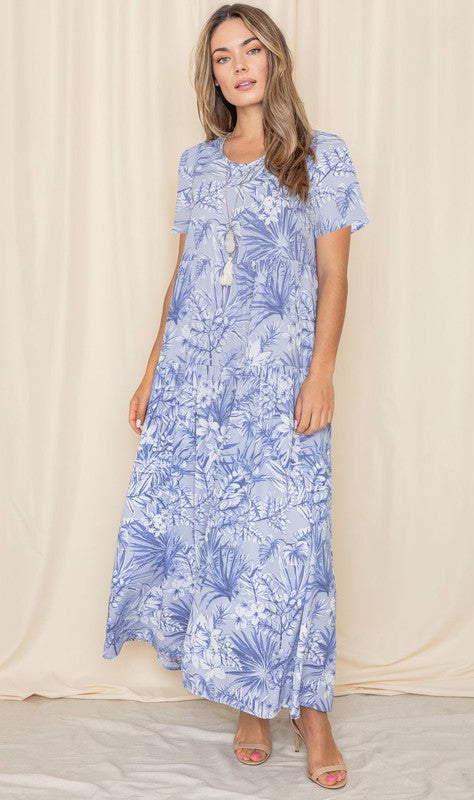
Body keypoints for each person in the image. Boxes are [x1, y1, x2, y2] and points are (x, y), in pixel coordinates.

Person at [103, 2, 369, 790]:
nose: (238, 65)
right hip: (198, 380)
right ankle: (248, 701)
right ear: (211, 74)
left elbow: (333, 276)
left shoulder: (323, 157)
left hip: (281, 380)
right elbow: (182, 279)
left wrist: (321, 372)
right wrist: (154, 369)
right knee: (221, 541)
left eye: (250, 48)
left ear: (274, 58)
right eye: (222, 56)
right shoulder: (198, 164)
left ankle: (310, 709)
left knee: (291, 538)